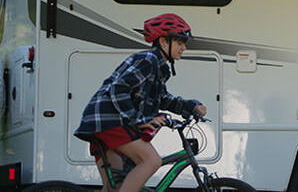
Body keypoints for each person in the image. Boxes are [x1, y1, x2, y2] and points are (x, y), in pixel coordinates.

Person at [73, 13, 207, 192]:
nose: (184, 48)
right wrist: (140, 119)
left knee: (116, 187)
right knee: (151, 161)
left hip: (102, 122)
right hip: (109, 121)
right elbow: (118, 89)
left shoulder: (159, 67)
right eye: (180, 43)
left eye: (184, 44)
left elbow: (163, 99)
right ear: (163, 42)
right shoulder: (148, 60)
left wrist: (190, 106)